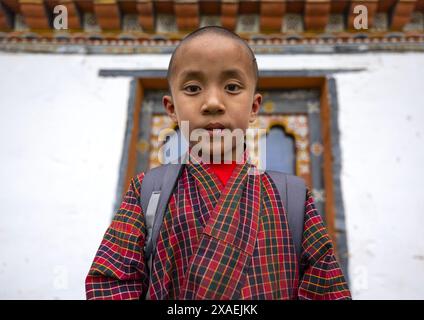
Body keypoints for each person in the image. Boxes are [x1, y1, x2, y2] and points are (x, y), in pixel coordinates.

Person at [85, 26, 351, 300]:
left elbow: (326, 289)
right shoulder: (146, 191)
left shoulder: (292, 197)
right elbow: (111, 282)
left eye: (232, 87)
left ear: (254, 107)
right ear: (172, 109)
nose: (212, 103)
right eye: (192, 88)